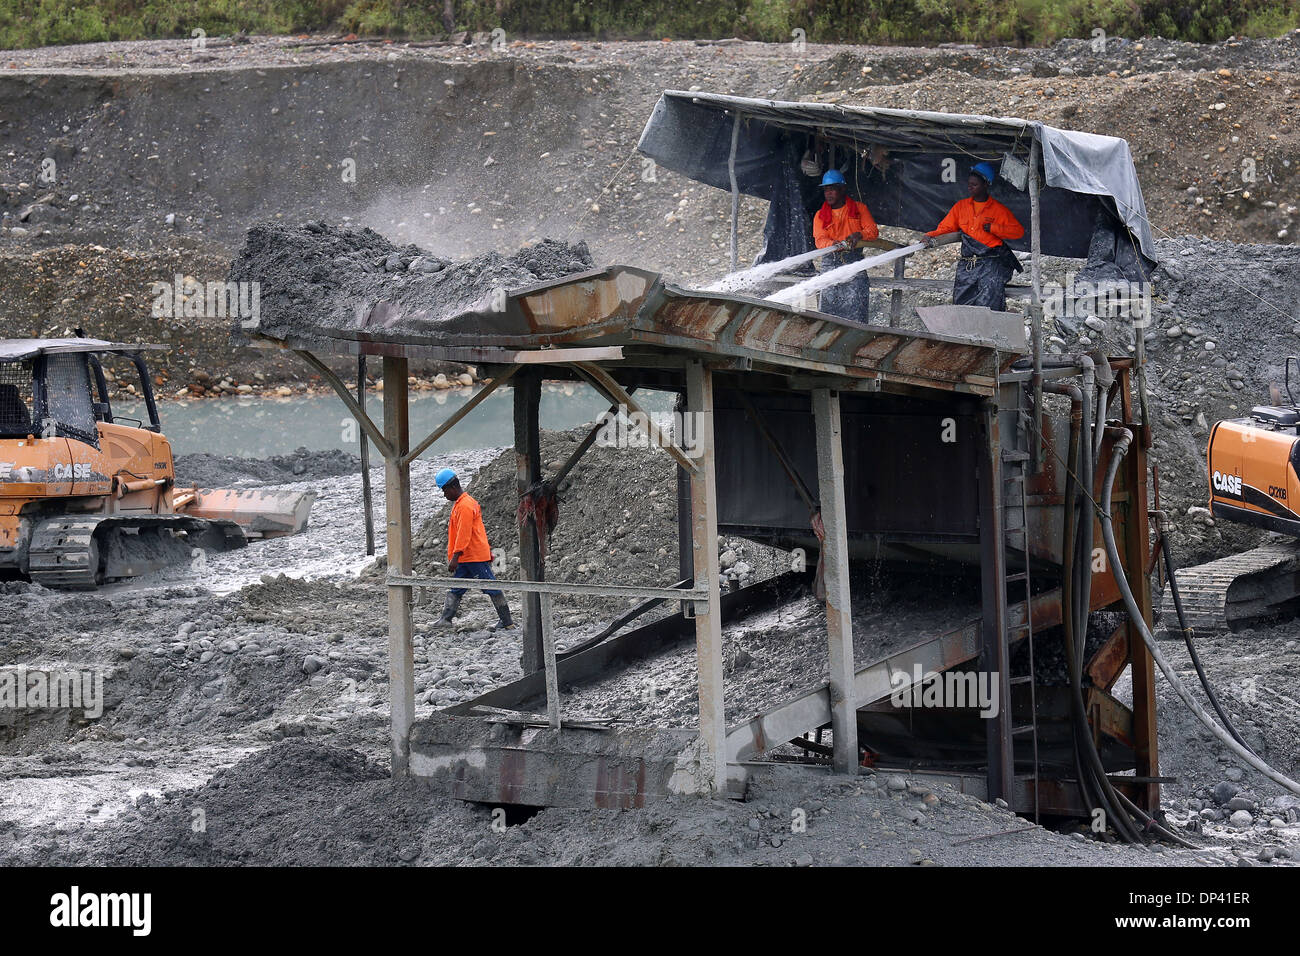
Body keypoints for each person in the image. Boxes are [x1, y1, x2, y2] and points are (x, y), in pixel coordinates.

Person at [923, 161, 1025, 311]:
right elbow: (946, 227)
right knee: (962, 301)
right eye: (969, 184)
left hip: (991, 263)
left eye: (975, 184)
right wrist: (929, 236)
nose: (970, 187)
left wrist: (995, 228)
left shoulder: (998, 210)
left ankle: (987, 332)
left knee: (989, 302)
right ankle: (963, 333)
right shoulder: (961, 207)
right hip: (968, 264)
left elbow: (1018, 231)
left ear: (986, 185)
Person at [435, 467, 513, 630]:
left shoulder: (464, 506)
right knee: (457, 587)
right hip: (467, 556)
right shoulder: (462, 503)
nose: (444, 495)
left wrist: (455, 557)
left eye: (444, 491)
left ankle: (507, 622)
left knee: (490, 586)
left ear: (452, 487)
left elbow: (464, 534)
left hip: (473, 556)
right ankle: (446, 619)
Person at [812, 169, 879, 323]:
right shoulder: (820, 216)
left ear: (842, 189)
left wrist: (860, 235)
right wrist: (833, 244)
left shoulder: (859, 209)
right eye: (826, 190)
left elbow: (873, 231)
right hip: (830, 263)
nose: (828, 193)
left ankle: (856, 338)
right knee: (828, 311)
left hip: (854, 262)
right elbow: (820, 241)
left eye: (832, 189)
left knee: (856, 308)